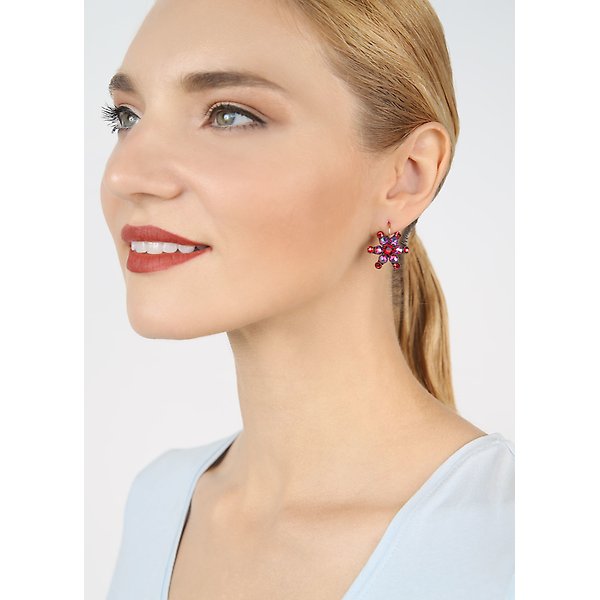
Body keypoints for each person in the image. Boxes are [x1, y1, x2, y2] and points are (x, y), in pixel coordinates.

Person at [100, 0, 514, 598]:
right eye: (126, 117)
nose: (124, 174)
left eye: (230, 115)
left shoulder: (516, 543)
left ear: (407, 176)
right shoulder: (158, 502)